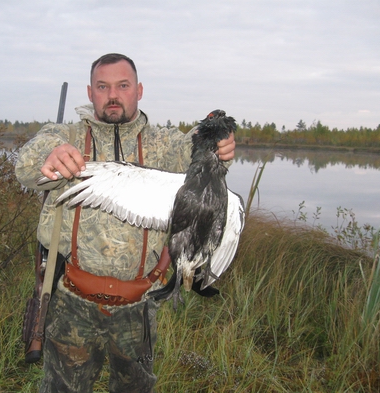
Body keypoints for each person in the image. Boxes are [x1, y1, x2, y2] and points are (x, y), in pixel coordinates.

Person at [15, 53, 235, 393]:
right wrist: (51, 154)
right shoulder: (67, 135)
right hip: (72, 303)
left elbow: (195, 148)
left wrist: (217, 141)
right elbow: (28, 162)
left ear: (139, 90)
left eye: (123, 85)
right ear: (90, 92)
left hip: (139, 308)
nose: (112, 95)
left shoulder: (164, 144)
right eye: (103, 86)